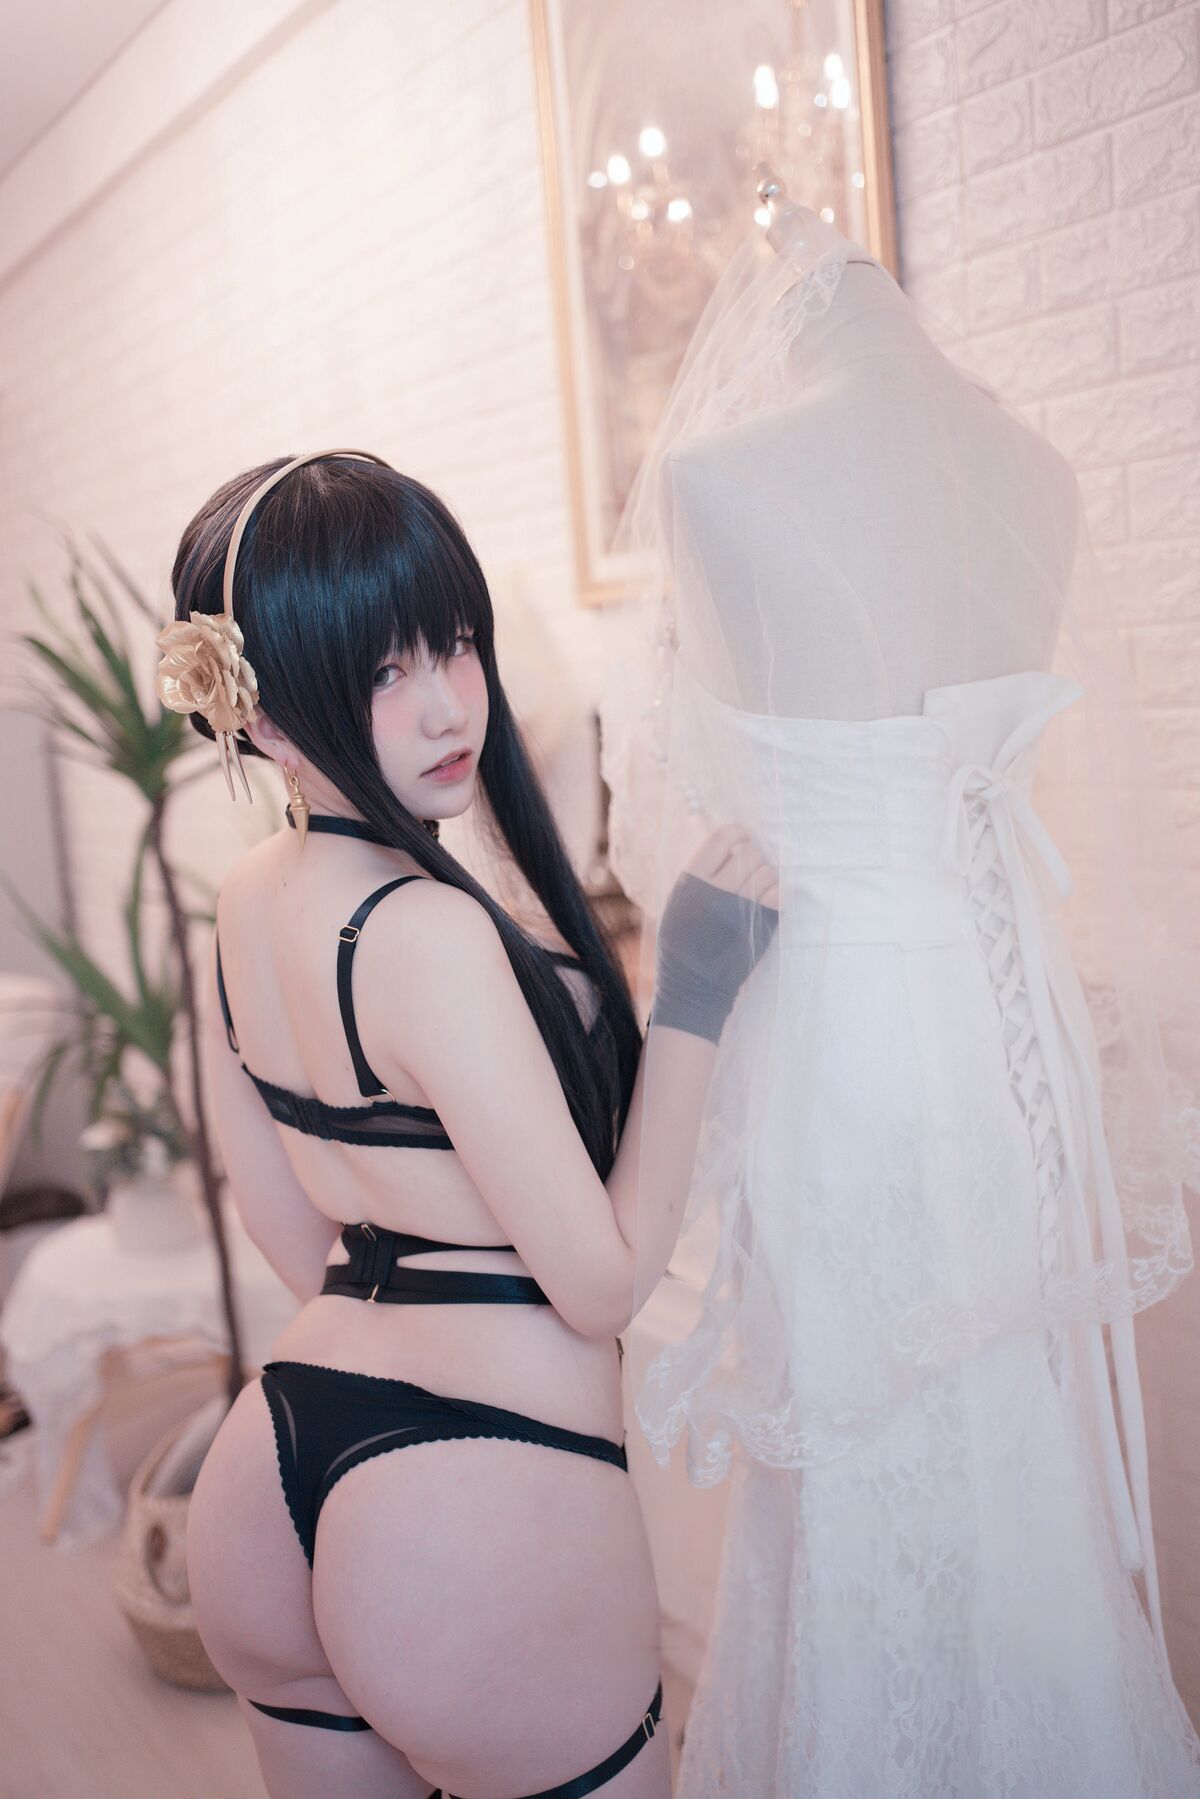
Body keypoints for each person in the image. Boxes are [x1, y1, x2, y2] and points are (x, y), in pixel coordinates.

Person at [162, 449, 778, 1799]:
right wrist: (695, 996)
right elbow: (603, 1284)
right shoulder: (426, 934)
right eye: (382, 670)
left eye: (452, 642)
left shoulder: (242, 902)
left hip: (274, 1470)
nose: (447, 702)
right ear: (261, 718)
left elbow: (289, 1233)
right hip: (469, 1492)